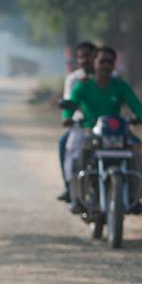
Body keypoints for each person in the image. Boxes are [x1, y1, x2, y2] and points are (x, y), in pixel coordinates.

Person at [62, 45, 142, 214]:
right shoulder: (84, 85)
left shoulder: (120, 86)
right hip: (91, 132)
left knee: (135, 147)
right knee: (77, 156)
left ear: (114, 65)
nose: (106, 65)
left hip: (117, 133)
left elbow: (134, 103)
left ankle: (136, 196)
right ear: (94, 63)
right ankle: (78, 196)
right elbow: (71, 103)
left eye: (109, 62)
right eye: (102, 61)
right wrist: (66, 117)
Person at [57, 41, 96, 202]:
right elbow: (70, 103)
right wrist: (68, 117)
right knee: (64, 143)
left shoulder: (106, 77)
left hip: (105, 125)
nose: (85, 60)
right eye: (81, 57)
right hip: (81, 124)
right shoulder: (74, 79)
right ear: (77, 59)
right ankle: (69, 187)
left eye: (89, 55)